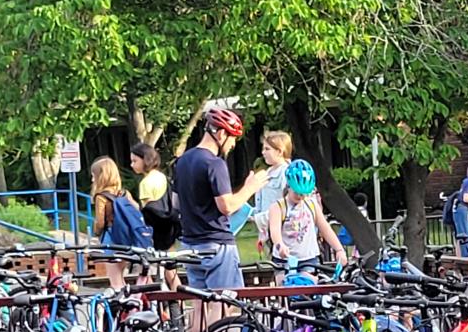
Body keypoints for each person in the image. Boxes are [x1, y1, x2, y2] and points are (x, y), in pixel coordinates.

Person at [175, 107, 267, 291]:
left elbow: (175, 202)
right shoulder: (215, 164)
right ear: (222, 133)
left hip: (189, 244)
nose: (233, 145)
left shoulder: (182, 161)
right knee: (224, 302)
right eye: (233, 138)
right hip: (216, 245)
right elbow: (227, 206)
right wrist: (251, 188)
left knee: (199, 303)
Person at [266, 160, 342, 273]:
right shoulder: (278, 207)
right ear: (289, 186)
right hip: (284, 260)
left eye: (304, 193)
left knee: (308, 285)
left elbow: (325, 228)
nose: (301, 197)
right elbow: (274, 231)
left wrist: (339, 249)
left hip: (309, 259)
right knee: (285, 286)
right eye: (297, 193)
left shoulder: (311, 204)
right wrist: (280, 245)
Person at [89, 156, 151, 260]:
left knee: (114, 274)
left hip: (111, 235)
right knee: (123, 269)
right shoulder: (124, 193)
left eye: (94, 176)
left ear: (101, 177)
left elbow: (100, 223)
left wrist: (95, 234)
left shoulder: (101, 197)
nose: (92, 179)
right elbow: (137, 209)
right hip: (126, 235)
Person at [132, 142, 176, 250]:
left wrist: (129, 200)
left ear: (145, 160)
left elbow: (147, 210)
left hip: (156, 228)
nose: (131, 165)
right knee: (170, 260)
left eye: (134, 161)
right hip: (170, 224)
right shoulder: (162, 176)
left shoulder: (145, 183)